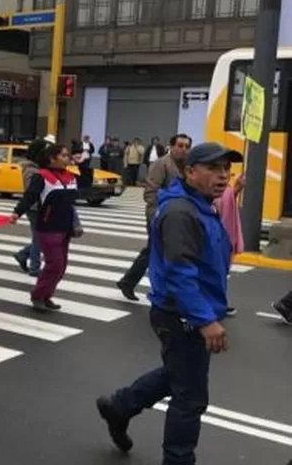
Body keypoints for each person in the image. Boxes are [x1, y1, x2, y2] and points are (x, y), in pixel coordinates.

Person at [96, 142, 242, 465]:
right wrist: (206, 320)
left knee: (177, 375)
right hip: (182, 315)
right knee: (189, 398)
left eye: (225, 170)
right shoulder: (181, 212)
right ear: (190, 171)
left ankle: (119, 406)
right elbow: (180, 274)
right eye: (213, 169)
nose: (222, 176)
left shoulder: (202, 204)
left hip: (188, 311)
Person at [117, 134, 192, 302]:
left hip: (178, 217)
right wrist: (160, 214)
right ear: (171, 146)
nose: (183, 149)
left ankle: (128, 282)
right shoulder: (162, 164)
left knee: (158, 251)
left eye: (187, 146)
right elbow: (151, 192)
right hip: (159, 215)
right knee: (155, 250)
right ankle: (131, 283)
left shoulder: (187, 166)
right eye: (180, 145)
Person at [10, 141, 83, 312]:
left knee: (62, 266)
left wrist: (82, 164)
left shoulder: (70, 176)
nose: (67, 158)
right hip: (48, 227)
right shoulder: (41, 176)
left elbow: (85, 185)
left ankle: (47, 295)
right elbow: (30, 197)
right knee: (54, 264)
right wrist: (17, 212)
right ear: (52, 158)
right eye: (63, 155)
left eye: (68, 155)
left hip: (65, 228)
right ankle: (37, 295)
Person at [12, 139, 48, 277]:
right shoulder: (32, 170)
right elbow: (31, 192)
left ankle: (23, 254)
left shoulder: (37, 167)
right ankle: (34, 267)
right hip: (34, 208)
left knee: (40, 238)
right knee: (39, 238)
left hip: (38, 207)